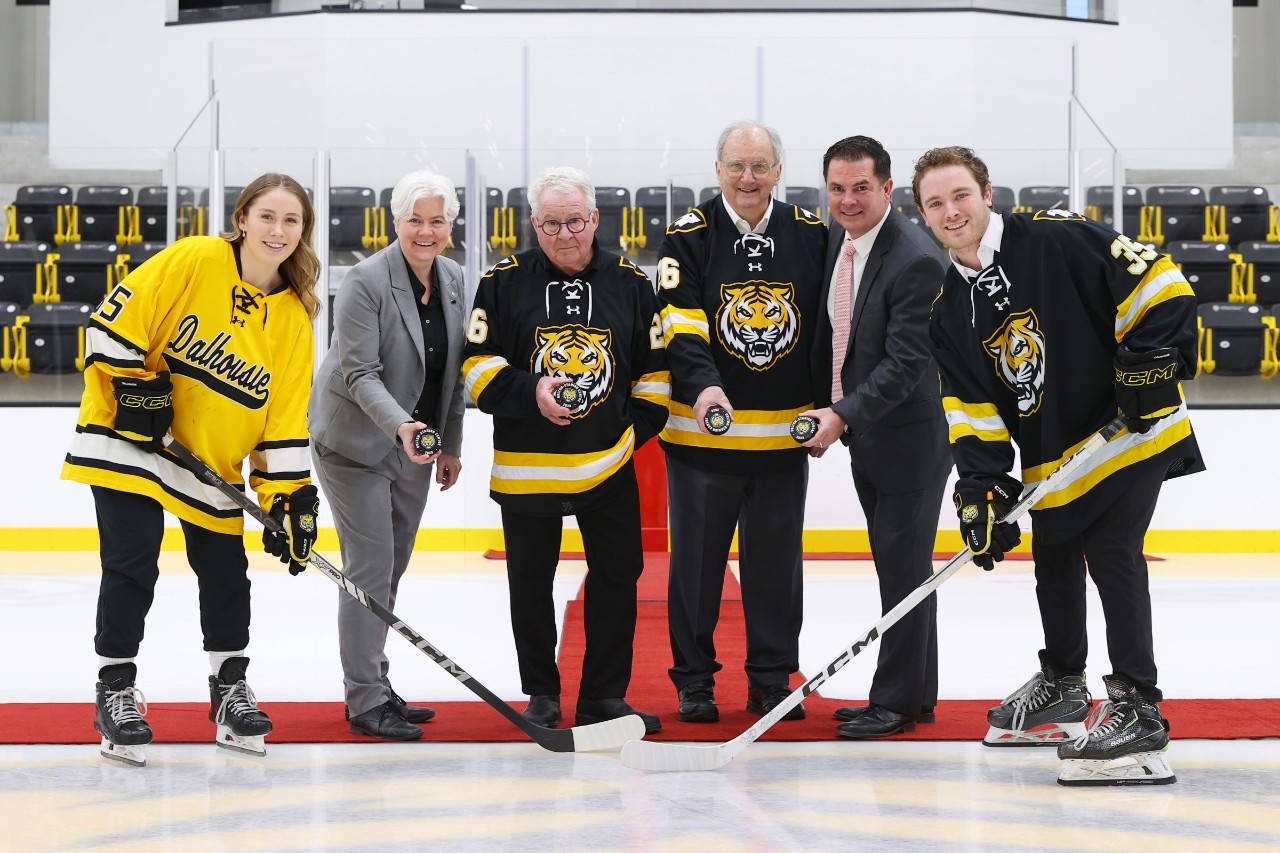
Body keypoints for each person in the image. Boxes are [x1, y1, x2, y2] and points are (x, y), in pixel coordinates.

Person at [914, 146, 1203, 785]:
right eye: (935, 203)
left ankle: (1137, 704)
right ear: (923, 217)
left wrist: (1153, 359)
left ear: (987, 193)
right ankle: (1066, 686)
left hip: (1128, 432)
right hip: (1056, 457)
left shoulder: (1057, 236)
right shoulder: (947, 313)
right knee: (1054, 556)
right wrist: (982, 489)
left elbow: (1161, 282)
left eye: (960, 194)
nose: (951, 210)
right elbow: (973, 412)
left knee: (1111, 551)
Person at [61, 173, 322, 765]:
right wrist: (136, 392)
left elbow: (281, 420)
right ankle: (116, 689)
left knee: (227, 575)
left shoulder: (293, 318)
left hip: (209, 463)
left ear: (303, 232)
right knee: (131, 566)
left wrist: (288, 499)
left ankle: (229, 690)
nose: (277, 231)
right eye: (267, 217)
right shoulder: (196, 257)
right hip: (131, 443)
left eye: (291, 221)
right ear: (242, 219)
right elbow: (111, 323)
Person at [462, 166, 668, 734]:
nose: (564, 234)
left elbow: (655, 376)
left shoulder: (630, 282)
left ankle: (604, 696)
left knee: (617, 577)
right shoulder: (501, 282)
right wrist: (530, 392)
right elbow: (477, 368)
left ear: (595, 219)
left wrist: (624, 432)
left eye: (574, 220)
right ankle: (542, 695)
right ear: (534, 224)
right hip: (527, 470)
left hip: (609, 464)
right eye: (550, 223)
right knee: (530, 584)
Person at [657, 120, 826, 723]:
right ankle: (695, 682)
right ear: (718, 169)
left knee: (777, 568)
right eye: (736, 166)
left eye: (759, 166)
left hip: (782, 439)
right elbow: (680, 323)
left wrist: (827, 402)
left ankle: (771, 679)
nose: (748, 178)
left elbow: (826, 329)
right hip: (702, 442)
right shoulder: (688, 237)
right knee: (697, 570)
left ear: (780, 170)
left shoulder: (810, 234)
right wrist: (704, 389)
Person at [796, 135, 952, 739]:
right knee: (901, 565)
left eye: (861, 187)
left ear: (888, 189)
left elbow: (905, 361)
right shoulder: (842, 238)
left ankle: (894, 702)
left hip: (909, 437)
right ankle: (917, 694)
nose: (848, 200)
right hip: (874, 433)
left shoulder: (914, 257)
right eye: (837, 189)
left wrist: (840, 415)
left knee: (904, 569)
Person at [309, 170, 467, 741]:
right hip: (354, 443)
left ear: (451, 225)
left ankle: (376, 678)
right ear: (395, 222)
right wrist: (403, 427)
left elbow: (453, 373)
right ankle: (364, 701)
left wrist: (449, 442)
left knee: (391, 566)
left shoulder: (452, 277)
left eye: (437, 220)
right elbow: (358, 372)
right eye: (414, 220)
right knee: (370, 569)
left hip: (416, 448)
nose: (426, 231)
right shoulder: (364, 281)